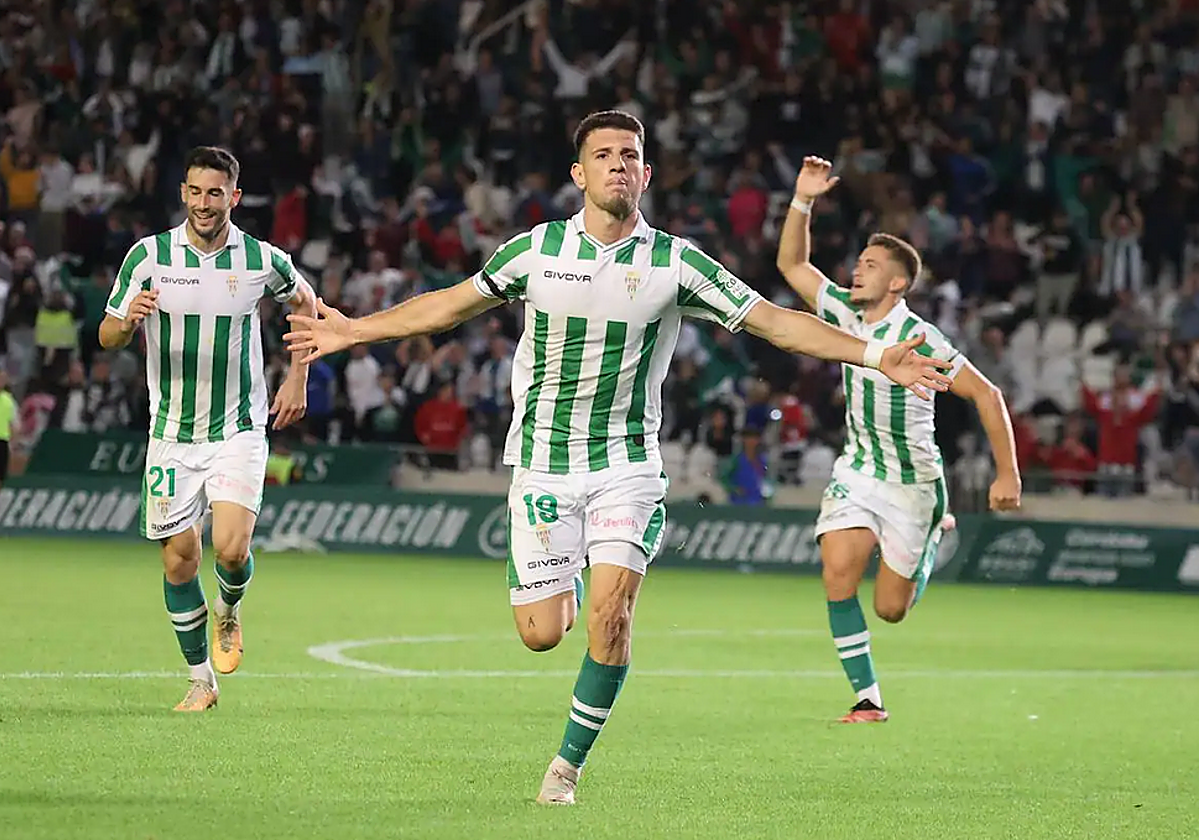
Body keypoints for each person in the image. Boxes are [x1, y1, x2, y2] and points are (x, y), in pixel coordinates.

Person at [283, 111, 950, 802]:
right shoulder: (535, 250)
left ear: (647, 173)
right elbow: (450, 306)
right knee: (542, 634)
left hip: (625, 468)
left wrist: (878, 355)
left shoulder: (676, 262)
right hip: (544, 464)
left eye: (629, 155)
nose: (618, 165)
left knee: (613, 616)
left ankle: (565, 769)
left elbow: (774, 322)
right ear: (579, 174)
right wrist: (355, 329)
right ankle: (565, 579)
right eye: (603, 155)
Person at [774, 156, 1022, 723]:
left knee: (891, 609)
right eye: (857, 262)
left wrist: (1007, 474)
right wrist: (803, 200)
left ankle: (936, 531)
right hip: (858, 468)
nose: (856, 272)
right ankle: (868, 699)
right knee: (838, 570)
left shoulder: (921, 337)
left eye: (869, 265)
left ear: (898, 283)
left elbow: (988, 396)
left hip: (914, 484)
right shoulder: (840, 309)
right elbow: (792, 262)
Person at [98, 146, 314, 712]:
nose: (203, 203)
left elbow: (308, 305)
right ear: (183, 195)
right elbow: (106, 334)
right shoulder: (148, 257)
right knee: (178, 558)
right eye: (194, 192)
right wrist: (127, 322)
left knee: (231, 549)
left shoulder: (260, 259)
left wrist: (298, 379)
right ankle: (201, 681)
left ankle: (230, 610)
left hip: (239, 428)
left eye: (215, 193)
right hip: (170, 433)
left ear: (233, 198)